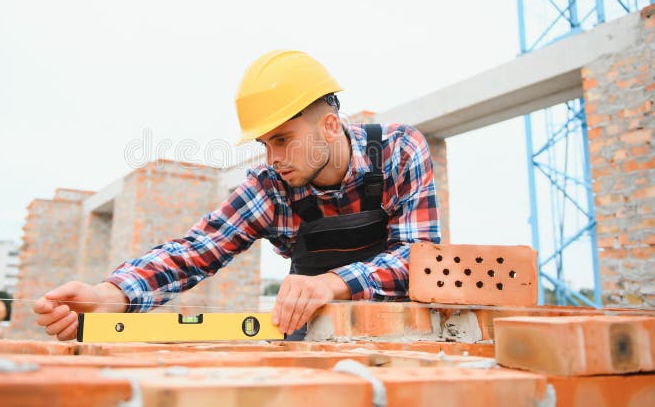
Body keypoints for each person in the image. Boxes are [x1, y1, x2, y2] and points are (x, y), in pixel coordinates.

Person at [34, 50, 440, 341]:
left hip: (405, 339)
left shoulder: (399, 151)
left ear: (330, 126)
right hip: (316, 345)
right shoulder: (270, 188)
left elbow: (419, 258)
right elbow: (195, 251)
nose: (273, 158)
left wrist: (333, 282)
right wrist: (112, 296)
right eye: (265, 143)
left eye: (282, 139)